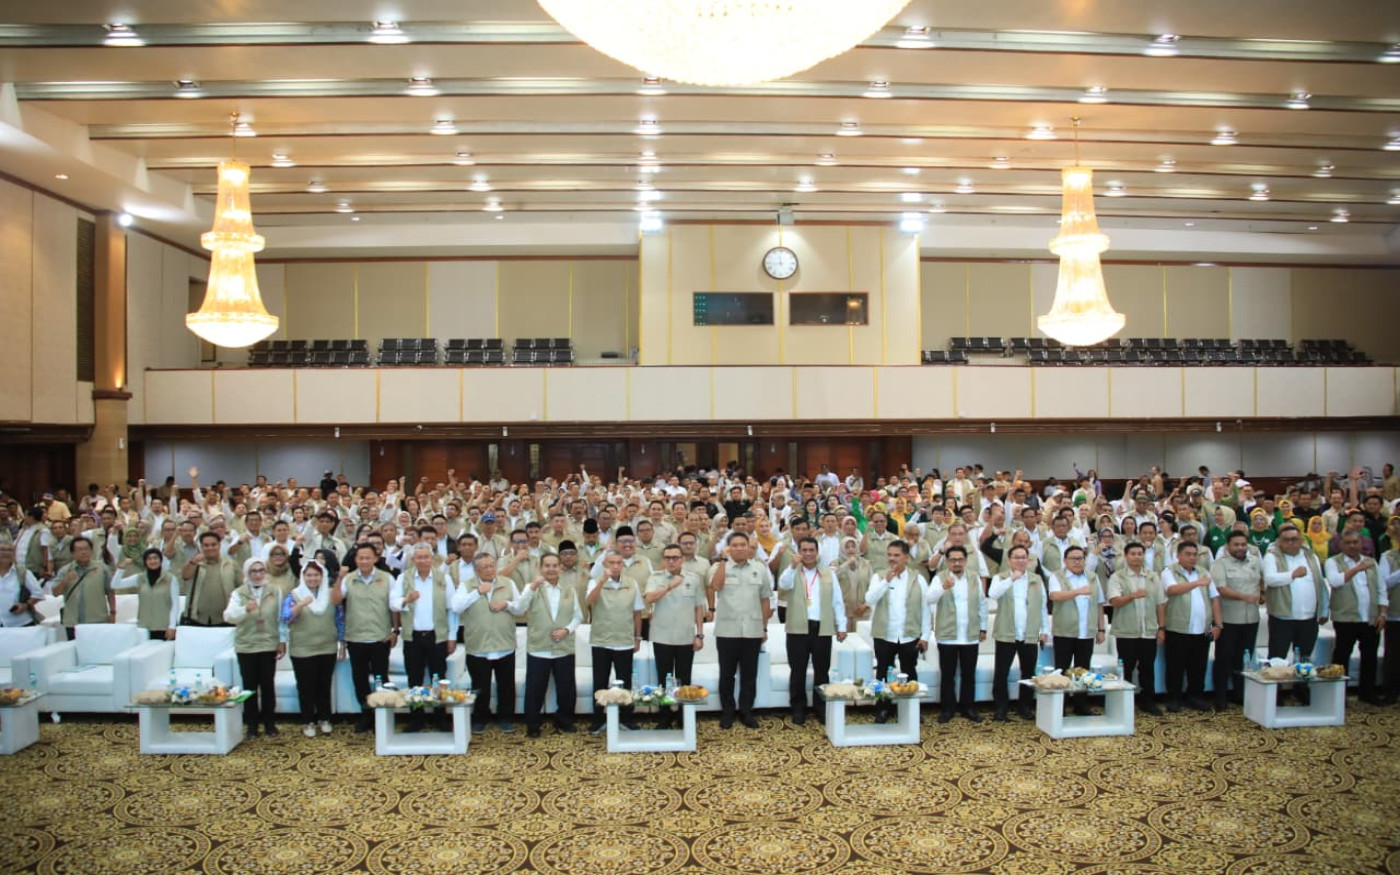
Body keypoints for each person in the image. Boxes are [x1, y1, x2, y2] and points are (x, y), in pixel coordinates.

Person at [777, 536, 847, 725]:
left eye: (811, 550)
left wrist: (841, 626)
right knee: (797, 671)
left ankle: (821, 707)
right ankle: (798, 708)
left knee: (822, 671)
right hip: (797, 628)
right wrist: (792, 566)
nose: (808, 554)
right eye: (804, 550)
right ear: (799, 552)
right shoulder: (792, 571)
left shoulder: (828, 573)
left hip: (821, 628)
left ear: (817, 552)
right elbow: (783, 584)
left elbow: (837, 601)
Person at [509, 552, 581, 737]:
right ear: (541, 568)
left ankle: (564, 721)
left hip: (563, 647)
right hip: (539, 647)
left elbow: (578, 616)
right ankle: (533, 725)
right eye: (547, 565)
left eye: (554, 565)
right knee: (535, 690)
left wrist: (567, 630)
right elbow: (518, 609)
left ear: (560, 568)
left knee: (566, 689)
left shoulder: (569, 589)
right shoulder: (532, 588)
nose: (551, 569)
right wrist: (532, 587)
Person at [391, 543, 460, 731]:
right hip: (412, 637)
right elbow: (393, 604)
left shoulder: (443, 578)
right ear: (413, 560)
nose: (422, 560)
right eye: (419, 557)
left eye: (426, 557)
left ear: (432, 559)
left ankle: (440, 718)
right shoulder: (403, 578)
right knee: (414, 678)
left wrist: (452, 636)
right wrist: (406, 599)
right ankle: (416, 718)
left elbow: (452, 610)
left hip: (437, 637)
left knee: (439, 678)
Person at [710, 531, 774, 729]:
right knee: (726, 674)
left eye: (742, 545)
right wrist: (723, 560)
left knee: (749, 674)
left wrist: (764, 627)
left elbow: (765, 599)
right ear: (729, 548)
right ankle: (727, 711)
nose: (739, 548)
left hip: (752, 630)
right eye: (735, 545)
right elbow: (716, 586)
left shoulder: (759, 568)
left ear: (749, 547)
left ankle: (746, 710)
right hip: (727, 630)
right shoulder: (719, 567)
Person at [332, 543, 397, 733]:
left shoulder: (387, 578)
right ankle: (366, 714)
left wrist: (395, 630)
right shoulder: (349, 579)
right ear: (355, 560)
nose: (364, 561)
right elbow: (335, 600)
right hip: (356, 637)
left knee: (381, 678)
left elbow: (393, 606)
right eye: (360, 558)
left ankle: (382, 716)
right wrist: (340, 578)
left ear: (375, 559)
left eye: (368, 557)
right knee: (359, 679)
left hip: (380, 637)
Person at [454, 553, 520, 734]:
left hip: (504, 643)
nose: (490, 570)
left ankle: (505, 718)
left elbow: (521, 607)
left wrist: (507, 604)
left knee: (506, 685)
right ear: (476, 570)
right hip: (478, 645)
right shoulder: (466, 586)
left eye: (492, 565)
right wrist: (477, 592)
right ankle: (480, 718)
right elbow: (457, 607)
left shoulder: (508, 583)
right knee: (480, 686)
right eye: (485, 567)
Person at [1263, 524, 1328, 703]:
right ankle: (1275, 693)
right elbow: (1269, 579)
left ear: (1301, 540)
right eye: (1286, 540)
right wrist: (1292, 574)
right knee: (1277, 657)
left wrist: (1323, 610)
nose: (1291, 543)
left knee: (1305, 656)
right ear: (1279, 541)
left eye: (1294, 539)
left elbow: (1320, 583)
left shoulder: (1311, 556)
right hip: (1282, 617)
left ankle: (1301, 689)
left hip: (1309, 617)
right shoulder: (1272, 556)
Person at [643, 545, 706, 729]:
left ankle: (683, 716)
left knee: (684, 678)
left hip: (685, 636)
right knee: (664, 679)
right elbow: (650, 598)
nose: (671, 561)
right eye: (667, 558)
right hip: (662, 636)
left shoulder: (693, 579)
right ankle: (665, 716)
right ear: (663, 560)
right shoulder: (655, 577)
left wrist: (699, 634)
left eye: (675, 557)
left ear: (682, 559)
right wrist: (670, 586)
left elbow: (698, 607)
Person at [223, 556, 285, 738]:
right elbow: (228, 616)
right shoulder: (239, 593)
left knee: (268, 685)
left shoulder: (275, 591)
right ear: (247, 573)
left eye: (261, 570)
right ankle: (252, 725)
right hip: (247, 645)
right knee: (249, 687)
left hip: (268, 644)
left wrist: (282, 640)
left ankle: (270, 724)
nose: (257, 575)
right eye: (253, 571)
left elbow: (281, 618)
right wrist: (244, 609)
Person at [1160, 541, 1222, 712]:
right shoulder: (1169, 571)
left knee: (1198, 666)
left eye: (1195, 554)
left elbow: (1214, 599)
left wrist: (1218, 625)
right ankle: (1174, 698)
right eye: (1188, 554)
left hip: (1202, 629)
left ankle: (1195, 697)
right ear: (1178, 556)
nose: (1192, 557)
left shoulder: (1203, 572)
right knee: (1175, 666)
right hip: (1177, 627)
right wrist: (1196, 583)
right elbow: (1172, 590)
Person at [281, 558, 341, 737]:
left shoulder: (330, 594)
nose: (313, 578)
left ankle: (325, 718)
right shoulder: (294, 595)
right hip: (303, 649)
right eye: (309, 575)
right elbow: (286, 617)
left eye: (316, 575)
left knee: (324, 685)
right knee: (306, 687)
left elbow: (340, 619)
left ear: (322, 576)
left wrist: (342, 643)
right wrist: (300, 605)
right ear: (303, 576)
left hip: (327, 646)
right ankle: (307, 721)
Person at [928, 544, 986, 723]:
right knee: (948, 675)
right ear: (947, 562)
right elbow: (929, 599)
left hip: (970, 635)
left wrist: (983, 628)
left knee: (969, 674)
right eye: (953, 560)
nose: (957, 563)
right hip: (947, 635)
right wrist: (943, 587)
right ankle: (947, 709)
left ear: (966, 561)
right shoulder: (940, 578)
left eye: (960, 559)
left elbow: (982, 604)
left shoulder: (974, 578)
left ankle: (968, 708)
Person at [987, 545, 1046, 722]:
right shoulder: (1000, 577)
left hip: (1029, 633)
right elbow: (993, 594)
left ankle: (1025, 706)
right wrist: (1011, 579)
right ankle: (1001, 707)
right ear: (1009, 560)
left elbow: (1043, 606)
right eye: (1016, 557)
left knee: (1028, 672)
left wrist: (1045, 630)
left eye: (1023, 557)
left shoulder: (1036, 579)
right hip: (1006, 633)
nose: (1020, 561)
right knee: (1001, 672)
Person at [1107, 542, 1166, 716]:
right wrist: (1133, 595)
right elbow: (1114, 601)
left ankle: (1148, 702)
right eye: (1133, 554)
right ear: (1126, 556)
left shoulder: (1153, 577)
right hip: (1126, 632)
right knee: (1126, 669)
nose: (1137, 557)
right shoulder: (1117, 577)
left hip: (1148, 631)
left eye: (1140, 554)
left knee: (1147, 669)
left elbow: (1160, 604)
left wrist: (1161, 628)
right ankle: (1123, 703)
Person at [1325, 530, 1384, 704]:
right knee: (1342, 655)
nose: (1352, 545)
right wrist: (1356, 569)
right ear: (1341, 545)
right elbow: (1335, 581)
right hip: (1346, 618)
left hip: (1370, 617)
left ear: (1361, 544)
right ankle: (1338, 696)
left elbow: (1381, 588)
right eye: (1348, 542)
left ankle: (1367, 693)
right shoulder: (1333, 562)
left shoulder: (1371, 562)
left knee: (1370, 656)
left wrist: (1382, 613)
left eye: (1355, 542)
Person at [1047, 545, 1104, 716]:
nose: (1077, 562)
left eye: (1081, 558)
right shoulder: (1057, 576)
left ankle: (1081, 705)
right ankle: (1061, 707)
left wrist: (1101, 629)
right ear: (1065, 561)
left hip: (1086, 631)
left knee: (1083, 670)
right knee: (1062, 669)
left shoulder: (1092, 577)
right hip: (1064, 631)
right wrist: (1078, 591)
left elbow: (1099, 603)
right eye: (1073, 558)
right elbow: (1055, 596)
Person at [1212, 531, 1265, 709]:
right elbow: (1220, 589)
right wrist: (1244, 597)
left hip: (1251, 619)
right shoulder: (1220, 564)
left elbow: (1262, 581)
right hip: (1229, 619)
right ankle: (1220, 696)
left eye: (1243, 544)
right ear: (1228, 546)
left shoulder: (1255, 562)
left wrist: (1262, 594)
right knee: (1223, 659)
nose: (1240, 548)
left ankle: (1240, 694)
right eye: (1236, 544)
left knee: (1244, 659)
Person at [52, 536, 115, 639]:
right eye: (79, 550)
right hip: (73, 622)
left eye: (86, 549)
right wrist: (65, 581)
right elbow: (55, 593)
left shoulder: (102, 568)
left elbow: (110, 591)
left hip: (97, 620)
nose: (84, 552)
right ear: (73, 553)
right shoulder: (65, 570)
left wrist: (113, 613)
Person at [112, 548, 180, 639]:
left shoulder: (170, 579)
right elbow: (115, 585)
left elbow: (175, 604)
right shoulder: (140, 578)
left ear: (160, 560)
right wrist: (121, 569)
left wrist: (172, 626)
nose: (153, 561)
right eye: (149, 559)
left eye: (155, 558)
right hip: (144, 628)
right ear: (145, 562)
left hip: (164, 627)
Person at [181, 531, 242, 627]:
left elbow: (241, 587)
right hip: (197, 619)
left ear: (219, 545)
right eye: (206, 545)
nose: (210, 548)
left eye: (213, 545)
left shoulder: (231, 564)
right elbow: (185, 576)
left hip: (225, 619)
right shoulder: (195, 564)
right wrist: (193, 562)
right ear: (201, 547)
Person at [0, 542, 42, 628]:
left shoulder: (22, 572)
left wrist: (25, 606)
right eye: (2, 550)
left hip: (20, 622)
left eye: (9, 550)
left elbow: (38, 593)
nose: (6, 553)